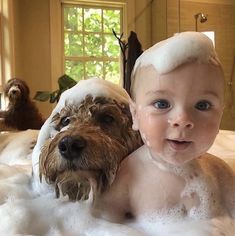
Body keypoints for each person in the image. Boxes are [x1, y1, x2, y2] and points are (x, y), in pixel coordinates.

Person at [92, 32, 235, 225]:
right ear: (135, 115)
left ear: (220, 116)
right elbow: (99, 224)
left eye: (203, 105)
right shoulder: (129, 176)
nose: (182, 120)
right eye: (161, 104)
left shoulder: (220, 172)